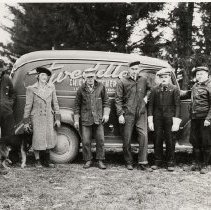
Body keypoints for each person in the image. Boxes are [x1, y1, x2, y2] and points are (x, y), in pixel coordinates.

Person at [115, 61, 151, 170]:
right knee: (127, 138)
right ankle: (128, 161)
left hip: (141, 113)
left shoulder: (143, 80)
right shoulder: (122, 81)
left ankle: (143, 162)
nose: (134, 71)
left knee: (144, 136)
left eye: (136, 69)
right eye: (133, 69)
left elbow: (150, 89)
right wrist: (120, 114)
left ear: (139, 69)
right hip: (128, 113)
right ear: (128, 69)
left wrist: (146, 97)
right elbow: (118, 99)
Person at [23, 67, 61, 168]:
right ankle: (37, 160)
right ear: (38, 76)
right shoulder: (31, 89)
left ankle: (47, 160)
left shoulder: (51, 87)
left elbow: (55, 103)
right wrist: (26, 122)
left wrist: (57, 118)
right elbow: (28, 106)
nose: (45, 77)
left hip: (48, 116)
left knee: (49, 137)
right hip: (36, 117)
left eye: (46, 76)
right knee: (37, 138)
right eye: (42, 75)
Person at [74, 68, 110, 169]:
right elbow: (76, 105)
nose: (90, 79)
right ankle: (88, 160)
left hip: (98, 119)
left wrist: (106, 114)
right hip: (85, 119)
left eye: (91, 76)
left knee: (100, 140)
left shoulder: (101, 87)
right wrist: (76, 120)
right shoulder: (81, 89)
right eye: (88, 77)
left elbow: (106, 101)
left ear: (95, 76)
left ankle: (100, 160)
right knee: (85, 141)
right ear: (85, 77)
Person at [148, 68, 181, 171]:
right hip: (157, 118)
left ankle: (170, 162)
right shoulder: (154, 89)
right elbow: (150, 106)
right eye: (161, 77)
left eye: (165, 77)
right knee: (157, 139)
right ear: (159, 79)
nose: (163, 79)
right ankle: (157, 161)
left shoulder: (175, 89)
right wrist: (150, 120)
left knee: (170, 140)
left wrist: (176, 121)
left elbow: (177, 105)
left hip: (170, 118)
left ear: (169, 78)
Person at [189, 66, 211, 174]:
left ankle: (205, 164)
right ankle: (197, 163)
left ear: (207, 74)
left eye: (201, 74)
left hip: (205, 118)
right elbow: (189, 94)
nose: (199, 76)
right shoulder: (195, 85)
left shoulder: (210, 86)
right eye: (197, 74)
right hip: (194, 117)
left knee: (206, 142)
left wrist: (208, 119)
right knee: (195, 140)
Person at [0, 60, 16, 175]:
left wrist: (9, 104)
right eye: (3, 66)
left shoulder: (6, 78)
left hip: (6, 113)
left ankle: (3, 160)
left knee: (6, 137)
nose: (5, 68)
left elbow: (13, 93)